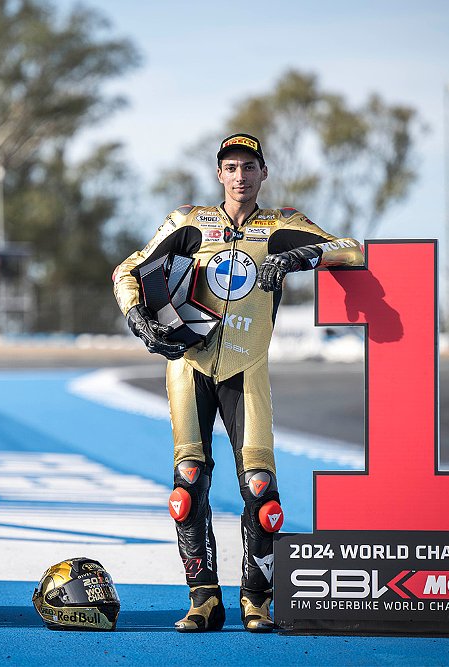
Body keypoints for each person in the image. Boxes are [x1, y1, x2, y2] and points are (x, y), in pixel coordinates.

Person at [111, 133, 364, 632]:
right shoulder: (188, 222)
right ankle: (203, 600)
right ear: (219, 174)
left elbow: (350, 250)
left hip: (248, 367)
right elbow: (129, 269)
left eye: (249, 167)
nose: (240, 176)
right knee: (187, 488)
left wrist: (296, 258)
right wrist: (138, 318)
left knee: (261, 489)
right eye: (230, 167)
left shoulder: (280, 225)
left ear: (263, 173)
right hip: (189, 365)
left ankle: (258, 600)